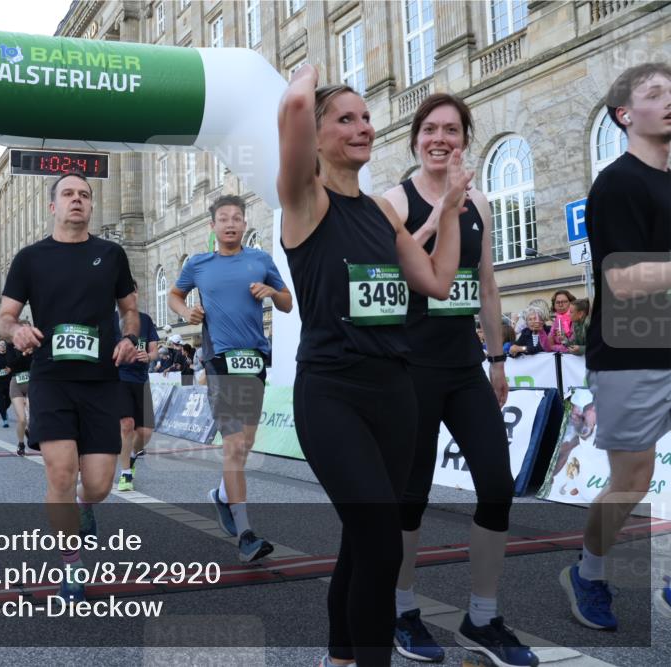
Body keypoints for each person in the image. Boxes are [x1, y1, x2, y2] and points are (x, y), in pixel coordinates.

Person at [277, 68, 468, 666]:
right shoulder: (305, 199)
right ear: (319, 133)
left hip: (394, 393)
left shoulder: (383, 214)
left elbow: (437, 282)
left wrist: (454, 210)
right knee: (384, 548)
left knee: (365, 546)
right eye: (346, 118)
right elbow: (293, 117)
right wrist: (305, 87)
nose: (364, 127)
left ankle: (338, 656)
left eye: (366, 117)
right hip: (331, 395)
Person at [382, 93, 536, 666]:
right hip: (410, 368)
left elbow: (487, 285)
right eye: (430, 130)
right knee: (410, 498)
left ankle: (483, 617)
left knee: (497, 484)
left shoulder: (481, 201)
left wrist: (497, 360)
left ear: (464, 138)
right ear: (416, 138)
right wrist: (438, 210)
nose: (440, 138)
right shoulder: (394, 200)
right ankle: (401, 608)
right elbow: (393, 270)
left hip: (464, 368)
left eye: (451, 129)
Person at [560, 62, 671, 629]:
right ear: (626, 115)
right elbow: (623, 281)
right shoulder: (618, 181)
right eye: (656, 94)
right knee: (629, 482)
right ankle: (590, 571)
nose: (669, 99)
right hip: (631, 353)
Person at [0, 170, 139, 603]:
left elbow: (129, 309)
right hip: (52, 379)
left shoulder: (112, 254)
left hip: (100, 381)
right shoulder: (29, 258)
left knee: (97, 484)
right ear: (53, 205)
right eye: (68, 194)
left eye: (84, 195)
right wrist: (16, 330)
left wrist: (129, 338)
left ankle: (83, 507)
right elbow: (4, 317)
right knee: (60, 472)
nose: (77, 200)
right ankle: (71, 566)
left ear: (91, 206)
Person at [169, 193, 294, 563]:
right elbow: (176, 295)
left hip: (253, 358)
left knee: (247, 442)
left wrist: (272, 291)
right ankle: (246, 533)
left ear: (243, 224)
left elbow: (287, 302)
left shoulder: (260, 259)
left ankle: (221, 496)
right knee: (235, 445)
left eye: (236, 218)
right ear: (213, 226)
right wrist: (186, 311)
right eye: (223, 218)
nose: (230, 223)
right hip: (219, 360)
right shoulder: (199, 264)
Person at [114, 282, 160, 492]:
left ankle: (132, 456)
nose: (130, 296)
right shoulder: (111, 321)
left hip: (141, 380)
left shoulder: (146, 320)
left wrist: (147, 356)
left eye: (133, 292)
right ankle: (125, 474)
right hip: (119, 378)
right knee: (127, 425)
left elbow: (154, 352)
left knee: (145, 433)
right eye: (125, 292)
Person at [6, 337, 33, 453]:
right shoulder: (11, 346)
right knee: (22, 419)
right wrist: (24, 353)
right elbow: (11, 365)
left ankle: (30, 431)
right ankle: (21, 443)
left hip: (32, 383)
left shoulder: (34, 345)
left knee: (32, 417)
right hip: (16, 383)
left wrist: (32, 353)